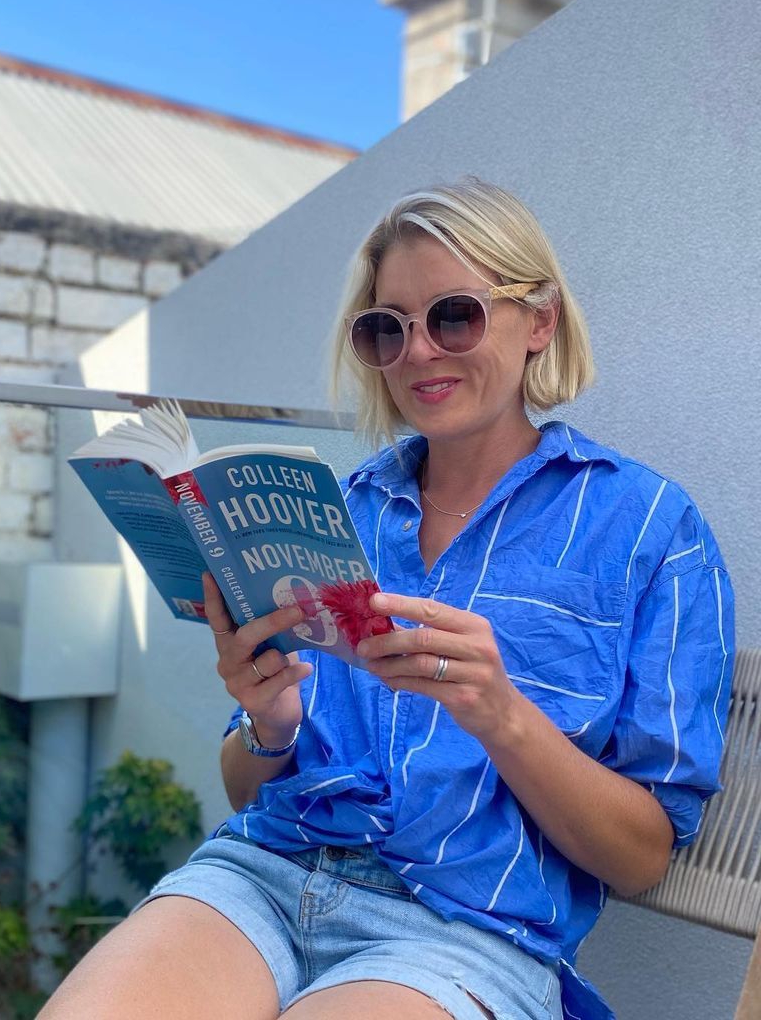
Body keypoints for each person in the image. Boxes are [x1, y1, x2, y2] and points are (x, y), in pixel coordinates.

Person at [38, 177, 734, 1020]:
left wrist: (501, 715)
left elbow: (643, 858)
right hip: (264, 877)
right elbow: (245, 792)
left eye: (454, 316)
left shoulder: (650, 529)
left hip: (466, 932)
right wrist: (269, 722)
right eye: (385, 329)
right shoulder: (337, 511)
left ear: (540, 321)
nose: (418, 353)